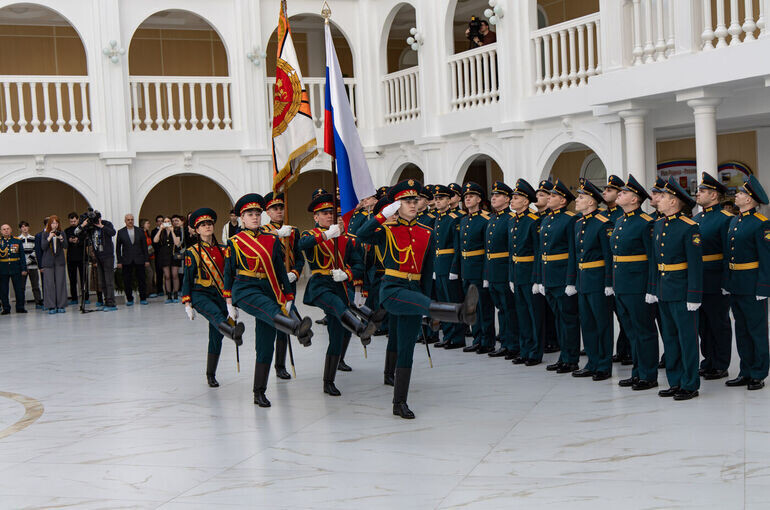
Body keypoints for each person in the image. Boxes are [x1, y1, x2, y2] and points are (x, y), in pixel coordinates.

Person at [356, 179, 480, 419]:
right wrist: (383, 215)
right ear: (396, 205)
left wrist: (424, 299)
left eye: (415, 200)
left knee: (406, 349)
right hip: (393, 288)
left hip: (414, 290)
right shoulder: (386, 230)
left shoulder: (426, 232)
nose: (412, 204)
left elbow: (426, 270)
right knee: (417, 313)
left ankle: (399, 402)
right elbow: (362, 235)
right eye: (406, 201)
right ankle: (460, 312)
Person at [224, 193, 312, 407]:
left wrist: (288, 295)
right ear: (242, 218)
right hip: (245, 288)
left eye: (257, 213)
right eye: (250, 214)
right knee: (269, 309)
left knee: (265, 344)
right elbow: (228, 273)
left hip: (269, 287)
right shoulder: (234, 242)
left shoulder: (271, 239)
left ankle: (259, 392)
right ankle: (296, 327)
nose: (255, 217)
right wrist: (228, 302)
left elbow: (280, 269)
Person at [298, 190, 373, 397]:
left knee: (337, 336)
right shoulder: (310, 235)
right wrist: (326, 235)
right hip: (320, 286)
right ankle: (361, 328)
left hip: (339, 285)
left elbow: (358, 265)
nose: (329, 216)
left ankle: (328, 381)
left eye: (332, 213)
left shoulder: (346, 240)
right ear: (316, 217)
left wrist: (347, 274)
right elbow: (302, 245)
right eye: (324, 213)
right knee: (339, 306)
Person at [182, 208, 245, 388]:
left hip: (220, 295)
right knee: (216, 315)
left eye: (209, 223)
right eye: (202, 225)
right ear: (197, 229)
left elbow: (230, 276)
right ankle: (232, 332)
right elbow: (187, 278)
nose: (207, 227)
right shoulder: (192, 252)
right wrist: (187, 303)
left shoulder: (224, 249)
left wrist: (233, 301)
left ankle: (211, 374)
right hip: (200, 294)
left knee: (216, 336)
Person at [653, 177, 703, 400]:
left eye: (663, 197)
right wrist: (654, 289)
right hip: (664, 290)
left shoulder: (689, 227)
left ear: (674, 202)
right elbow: (656, 261)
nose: (658, 200)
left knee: (687, 338)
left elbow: (695, 265)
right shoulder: (658, 225)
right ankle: (675, 381)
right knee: (670, 338)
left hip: (682, 291)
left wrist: (694, 295)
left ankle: (690, 384)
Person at [612, 175, 659, 391]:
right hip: (621, 284)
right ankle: (637, 372)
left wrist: (651, 287)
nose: (619, 194)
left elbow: (652, 258)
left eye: (624, 193)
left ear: (634, 199)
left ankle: (648, 375)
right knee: (631, 331)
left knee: (644, 330)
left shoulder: (646, 223)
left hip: (638, 285)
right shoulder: (620, 221)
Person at [724, 175, 770, 391]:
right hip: (736, 284)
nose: (737, 196)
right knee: (741, 330)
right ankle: (745, 371)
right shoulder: (734, 221)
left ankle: (759, 373)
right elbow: (728, 255)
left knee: (756, 330)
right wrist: (727, 282)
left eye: (741, 193)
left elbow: (766, 259)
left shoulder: (761, 223)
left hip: (752, 285)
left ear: (750, 199)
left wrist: (764, 287)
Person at [535, 179, 580, 374]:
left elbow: (572, 252)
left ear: (562, 201)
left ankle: (572, 359)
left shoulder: (570, 219)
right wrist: (540, 279)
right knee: (558, 319)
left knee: (568, 319)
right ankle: (564, 356)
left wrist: (570, 280)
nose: (549, 198)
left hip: (562, 276)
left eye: (553, 196)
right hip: (549, 277)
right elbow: (541, 252)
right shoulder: (546, 219)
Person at [572, 180, 614, 381]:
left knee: (602, 324)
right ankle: (592, 362)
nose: (577, 200)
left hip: (597, 280)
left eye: (581, 197)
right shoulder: (578, 223)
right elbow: (576, 256)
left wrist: (608, 283)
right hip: (583, 281)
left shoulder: (603, 223)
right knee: (587, 324)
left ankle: (604, 365)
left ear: (591, 202)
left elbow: (608, 256)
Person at [694, 173, 733, 381]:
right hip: (699, 279)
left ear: (714, 195)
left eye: (702, 191)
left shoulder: (725, 219)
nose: (697, 193)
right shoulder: (696, 219)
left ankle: (721, 363)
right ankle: (708, 360)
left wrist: (727, 281)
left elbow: (728, 253)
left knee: (719, 323)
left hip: (716, 279)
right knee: (703, 324)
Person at [262, 191, 305, 380]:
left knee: (284, 323)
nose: (279, 211)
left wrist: (295, 273)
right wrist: (277, 235)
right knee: (278, 320)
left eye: (281, 207)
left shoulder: (293, 231)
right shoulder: (263, 231)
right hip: (272, 284)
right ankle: (301, 328)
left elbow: (299, 257)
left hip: (289, 282)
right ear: (267, 212)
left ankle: (280, 365)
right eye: (274, 208)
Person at [508, 179, 543, 366]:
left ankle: (535, 352)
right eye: (512, 197)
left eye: (516, 198)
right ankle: (525, 349)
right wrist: (511, 277)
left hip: (530, 274)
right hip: (517, 273)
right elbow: (511, 252)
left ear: (526, 201)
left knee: (534, 315)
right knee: (521, 314)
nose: (512, 201)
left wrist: (537, 279)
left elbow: (538, 252)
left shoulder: (533, 221)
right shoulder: (512, 221)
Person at [459, 182, 495, 353]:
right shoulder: (464, 220)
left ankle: (487, 341)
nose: (467, 199)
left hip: (480, 268)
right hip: (467, 269)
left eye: (471, 196)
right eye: (466, 197)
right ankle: (477, 338)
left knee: (484, 306)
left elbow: (488, 249)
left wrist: (486, 272)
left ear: (479, 199)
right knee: (472, 307)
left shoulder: (486, 219)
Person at [485, 181, 517, 359]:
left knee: (508, 309)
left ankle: (512, 344)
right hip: (493, 271)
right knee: (501, 308)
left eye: (498, 195)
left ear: (507, 199)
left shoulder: (510, 219)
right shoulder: (493, 219)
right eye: (493, 195)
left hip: (504, 270)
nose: (493, 198)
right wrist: (486, 274)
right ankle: (504, 342)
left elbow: (512, 249)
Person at [603, 176, 633, 366]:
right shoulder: (604, 215)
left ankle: (628, 350)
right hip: (612, 272)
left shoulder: (623, 216)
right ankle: (622, 349)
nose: (605, 193)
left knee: (627, 317)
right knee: (620, 315)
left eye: (610, 190)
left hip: (626, 273)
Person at [432, 185, 465, 349]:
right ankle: (447, 335)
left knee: (453, 302)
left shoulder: (454, 218)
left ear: (448, 200)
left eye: (441, 199)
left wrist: (454, 269)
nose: (438, 202)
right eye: (436, 199)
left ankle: (457, 337)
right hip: (439, 264)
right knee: (443, 303)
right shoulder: (438, 218)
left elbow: (457, 247)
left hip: (449, 264)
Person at [74, 212, 117, 311]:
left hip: (107, 256)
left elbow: (113, 233)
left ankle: (111, 303)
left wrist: (101, 226)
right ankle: (106, 301)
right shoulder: (91, 227)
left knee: (109, 281)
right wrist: (83, 225)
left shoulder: (106, 224)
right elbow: (76, 233)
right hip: (98, 256)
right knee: (102, 281)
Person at [116, 214, 150, 306]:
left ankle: (143, 298)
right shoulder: (121, 232)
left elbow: (144, 246)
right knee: (127, 280)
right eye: (128, 220)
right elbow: (118, 248)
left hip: (139, 259)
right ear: (125, 221)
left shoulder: (140, 231)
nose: (130, 221)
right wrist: (119, 261)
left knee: (141, 280)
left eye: (132, 219)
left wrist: (146, 259)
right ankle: (129, 299)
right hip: (126, 260)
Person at [39, 216, 68, 314]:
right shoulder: (45, 234)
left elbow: (66, 246)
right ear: (49, 224)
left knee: (60, 283)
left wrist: (61, 238)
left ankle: (61, 305)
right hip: (48, 262)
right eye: (52, 223)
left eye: (56, 223)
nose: (54, 225)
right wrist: (49, 237)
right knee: (49, 284)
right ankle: (51, 306)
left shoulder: (62, 233)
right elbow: (43, 247)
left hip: (59, 261)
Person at [0, 224, 27, 314]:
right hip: (2, 269)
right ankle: (6, 308)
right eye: (4, 229)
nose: (6, 230)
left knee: (19, 289)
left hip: (16, 268)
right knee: (3, 290)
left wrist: (24, 268)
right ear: (1, 231)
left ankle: (20, 307)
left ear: (11, 230)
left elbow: (22, 256)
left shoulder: (17, 240)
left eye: (8, 229)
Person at [154, 216, 182, 303]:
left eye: (168, 221)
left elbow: (177, 243)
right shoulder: (161, 232)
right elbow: (155, 240)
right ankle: (169, 295)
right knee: (167, 276)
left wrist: (172, 231)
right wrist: (160, 229)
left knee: (175, 275)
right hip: (164, 255)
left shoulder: (176, 230)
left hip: (174, 254)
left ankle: (176, 294)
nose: (167, 223)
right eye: (165, 221)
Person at [18, 221, 42, 308]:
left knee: (35, 286)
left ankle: (38, 303)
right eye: (22, 227)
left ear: (28, 227)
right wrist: (23, 264)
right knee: (21, 287)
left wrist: (27, 261)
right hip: (22, 268)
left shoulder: (34, 238)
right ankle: (21, 304)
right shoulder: (17, 239)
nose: (24, 228)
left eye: (26, 226)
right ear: (20, 229)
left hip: (33, 266)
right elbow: (17, 253)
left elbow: (36, 251)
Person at [64, 212, 85, 305]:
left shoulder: (83, 229)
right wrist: (69, 240)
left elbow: (86, 241)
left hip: (82, 257)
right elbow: (64, 244)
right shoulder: (67, 231)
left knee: (83, 279)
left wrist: (78, 240)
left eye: (74, 221)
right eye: (71, 221)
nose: (73, 223)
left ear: (78, 220)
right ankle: (74, 298)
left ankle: (85, 297)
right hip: (71, 258)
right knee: (72, 279)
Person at [140, 219, 158, 298]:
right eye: (147, 223)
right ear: (143, 224)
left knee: (153, 273)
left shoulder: (148, 233)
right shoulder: (141, 233)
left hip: (152, 256)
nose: (149, 225)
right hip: (145, 257)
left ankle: (153, 290)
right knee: (149, 273)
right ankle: (147, 291)